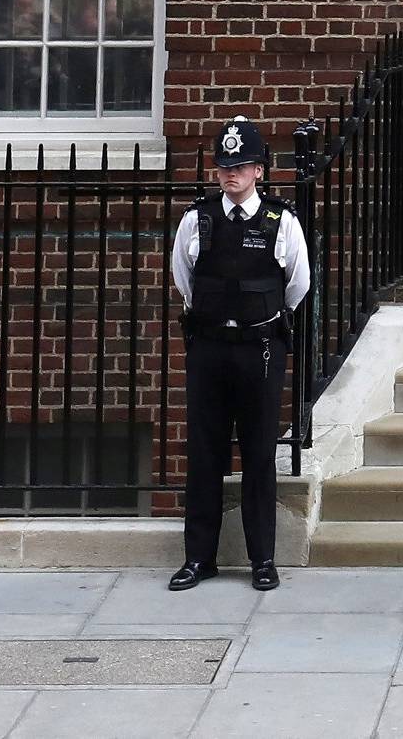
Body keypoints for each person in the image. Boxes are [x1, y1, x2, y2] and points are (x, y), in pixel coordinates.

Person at [167, 117, 311, 592]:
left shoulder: (280, 221)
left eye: (241, 166)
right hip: (209, 347)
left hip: (259, 349)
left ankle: (262, 559)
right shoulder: (198, 218)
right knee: (205, 453)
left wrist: (260, 319)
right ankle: (198, 558)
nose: (231, 175)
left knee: (258, 453)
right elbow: (183, 280)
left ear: (259, 171)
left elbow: (297, 286)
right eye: (225, 166)